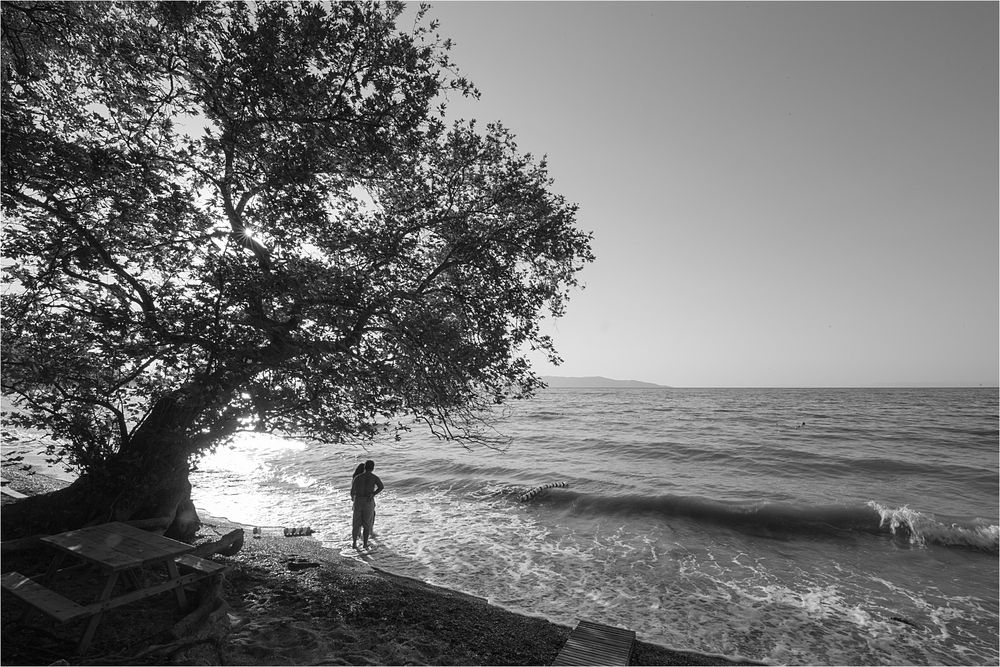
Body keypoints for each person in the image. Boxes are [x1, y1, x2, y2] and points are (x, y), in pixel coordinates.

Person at [350, 459, 383, 549]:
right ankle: (365, 544)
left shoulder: (357, 477)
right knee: (367, 524)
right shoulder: (374, 477)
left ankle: (354, 543)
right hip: (368, 501)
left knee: (356, 523)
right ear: (372, 468)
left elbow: (352, 492)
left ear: (364, 467)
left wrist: (354, 499)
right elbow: (381, 487)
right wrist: (373, 494)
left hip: (358, 500)